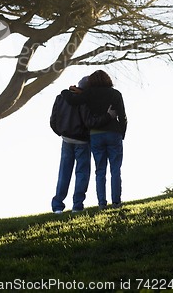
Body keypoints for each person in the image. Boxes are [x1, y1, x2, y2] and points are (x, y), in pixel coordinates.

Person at [61, 70, 127, 209]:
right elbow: (122, 116)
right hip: (113, 133)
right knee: (115, 169)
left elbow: (73, 100)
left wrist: (65, 91)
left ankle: (102, 203)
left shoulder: (89, 94)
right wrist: (122, 133)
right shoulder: (115, 94)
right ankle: (116, 202)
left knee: (100, 170)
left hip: (96, 135)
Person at [51, 76, 116, 214]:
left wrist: (62, 132)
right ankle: (77, 206)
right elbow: (89, 122)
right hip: (82, 141)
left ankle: (57, 206)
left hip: (66, 139)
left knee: (64, 173)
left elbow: (53, 120)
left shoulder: (60, 97)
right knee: (82, 174)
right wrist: (108, 116)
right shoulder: (85, 100)